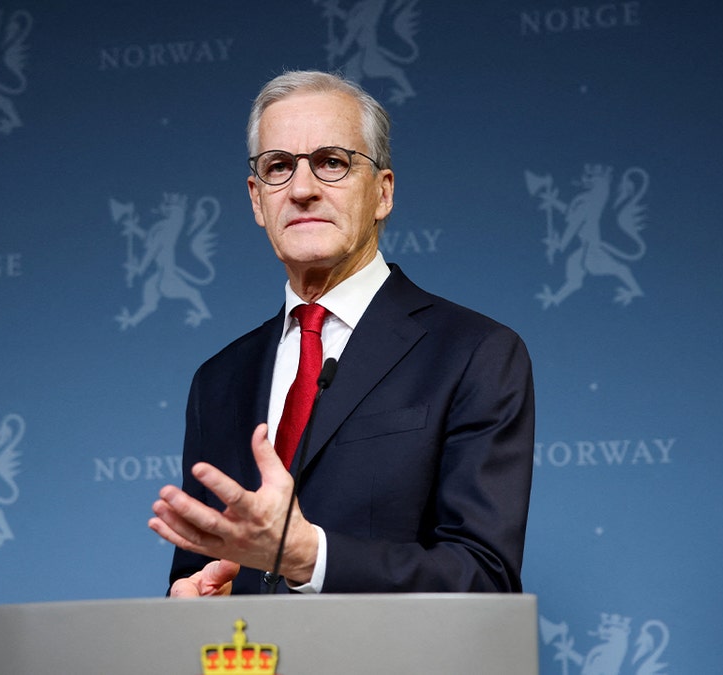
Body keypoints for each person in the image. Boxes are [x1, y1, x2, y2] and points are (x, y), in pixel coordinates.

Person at [148, 70, 534, 596]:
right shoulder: (218, 380)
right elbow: (196, 570)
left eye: (332, 163)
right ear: (257, 200)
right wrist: (188, 598)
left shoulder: (475, 354)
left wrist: (311, 558)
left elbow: (483, 581)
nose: (303, 189)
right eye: (278, 167)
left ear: (382, 192)